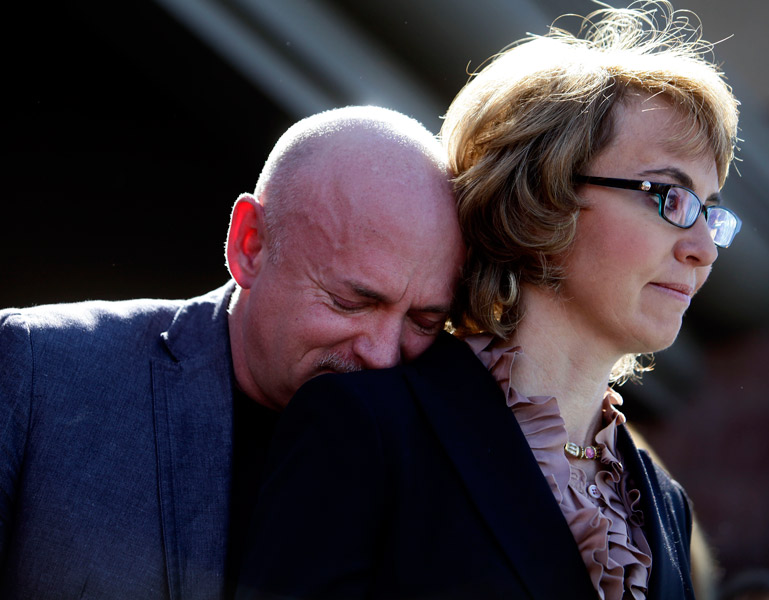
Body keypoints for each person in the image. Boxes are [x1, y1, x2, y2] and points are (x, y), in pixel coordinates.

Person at [236, 3, 741, 599]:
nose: (704, 248)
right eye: (671, 197)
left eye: (711, 212)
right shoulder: (368, 428)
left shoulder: (664, 505)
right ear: (541, 194)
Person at [0, 106, 464, 599]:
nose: (384, 355)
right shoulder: (39, 370)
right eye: (352, 302)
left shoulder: (443, 475)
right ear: (250, 244)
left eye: (424, 322)